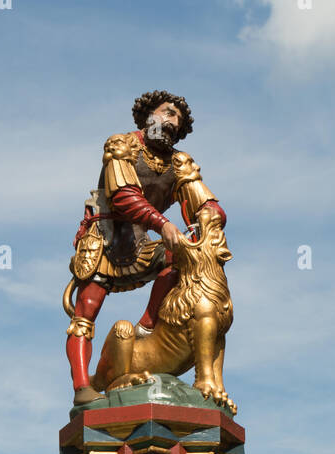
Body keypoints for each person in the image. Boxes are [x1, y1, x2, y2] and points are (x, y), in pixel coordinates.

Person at [63, 90, 227, 405]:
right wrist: (163, 224)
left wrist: (210, 217)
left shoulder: (178, 163)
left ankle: (147, 325)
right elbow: (124, 197)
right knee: (85, 312)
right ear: (148, 115)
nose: (171, 122)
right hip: (105, 238)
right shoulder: (122, 145)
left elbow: (205, 202)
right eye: (166, 112)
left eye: (176, 119)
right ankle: (83, 387)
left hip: (140, 241)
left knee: (179, 256)